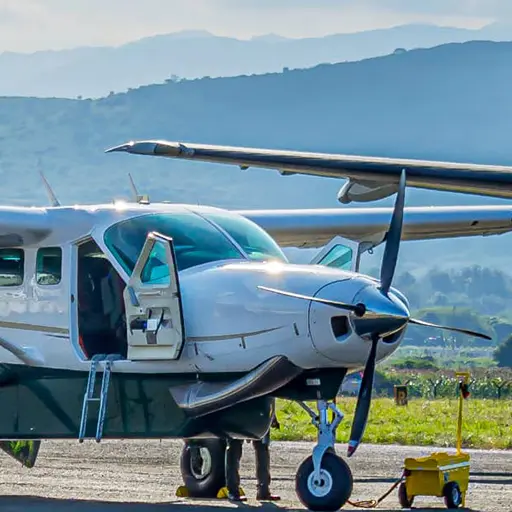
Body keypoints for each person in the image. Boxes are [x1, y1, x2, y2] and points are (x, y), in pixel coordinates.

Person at [225, 405, 281, 502]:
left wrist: (272, 415)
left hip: (259, 411)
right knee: (234, 448)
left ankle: (263, 491)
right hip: (237, 410)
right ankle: (233, 491)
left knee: (262, 449)